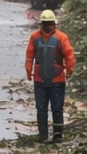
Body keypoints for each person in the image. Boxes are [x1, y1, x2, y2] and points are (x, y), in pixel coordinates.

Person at [25, 9, 75, 143]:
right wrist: (28, 71)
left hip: (57, 80)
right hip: (40, 80)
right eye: (45, 24)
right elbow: (30, 56)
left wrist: (69, 70)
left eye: (50, 23)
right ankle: (43, 135)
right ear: (41, 24)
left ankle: (58, 135)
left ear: (54, 24)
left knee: (57, 108)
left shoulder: (61, 37)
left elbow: (69, 55)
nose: (48, 26)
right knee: (41, 109)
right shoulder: (34, 37)